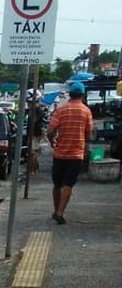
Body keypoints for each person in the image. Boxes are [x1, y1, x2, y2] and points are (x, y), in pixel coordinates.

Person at [46, 81, 93, 225]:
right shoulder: (86, 111)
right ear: (83, 95)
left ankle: (56, 210)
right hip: (76, 154)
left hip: (60, 153)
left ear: (70, 94)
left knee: (57, 184)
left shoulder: (61, 110)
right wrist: (85, 145)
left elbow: (50, 131)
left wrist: (52, 142)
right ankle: (60, 212)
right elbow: (89, 133)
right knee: (68, 184)